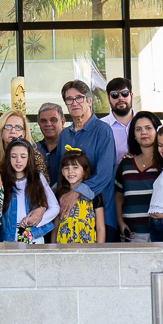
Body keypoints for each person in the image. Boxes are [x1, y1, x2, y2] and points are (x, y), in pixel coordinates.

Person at [56, 81, 117, 236]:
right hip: (69, 218)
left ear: (89, 101)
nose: (74, 103)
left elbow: (104, 174)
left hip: (99, 217)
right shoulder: (64, 135)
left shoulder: (102, 130)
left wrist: (75, 193)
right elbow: (60, 174)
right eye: (69, 99)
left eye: (79, 98)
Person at [0, 138, 59, 243]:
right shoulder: (1, 180)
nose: (18, 161)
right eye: (14, 156)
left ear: (29, 158)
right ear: (8, 158)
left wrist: (37, 222)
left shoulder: (38, 178)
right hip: (10, 235)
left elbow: (54, 208)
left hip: (33, 233)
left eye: (23, 157)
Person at [114, 112, 162, 242]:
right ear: (133, 135)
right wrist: (120, 222)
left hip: (159, 231)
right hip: (131, 233)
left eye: (148, 128)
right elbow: (118, 196)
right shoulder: (126, 163)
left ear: (157, 131)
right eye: (138, 129)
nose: (143, 132)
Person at [53, 148, 106, 243]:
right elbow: (56, 226)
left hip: (88, 249)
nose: (70, 171)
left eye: (75, 167)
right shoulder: (60, 195)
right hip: (63, 249)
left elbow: (100, 227)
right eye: (66, 168)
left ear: (84, 171)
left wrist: (99, 251)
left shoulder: (93, 195)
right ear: (61, 171)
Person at [0, 109, 47, 174]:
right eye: (8, 127)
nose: (13, 131)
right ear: (1, 132)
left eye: (18, 127)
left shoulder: (35, 157)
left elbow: (42, 182)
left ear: (24, 133)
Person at [100, 77, 134, 160]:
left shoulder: (145, 122)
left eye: (124, 93)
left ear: (131, 96)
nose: (120, 98)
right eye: (115, 95)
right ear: (108, 99)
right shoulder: (100, 126)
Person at [35, 102, 66, 186]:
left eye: (53, 120)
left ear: (62, 122)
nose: (48, 124)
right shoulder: (33, 150)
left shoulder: (70, 149)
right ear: (39, 124)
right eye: (43, 121)